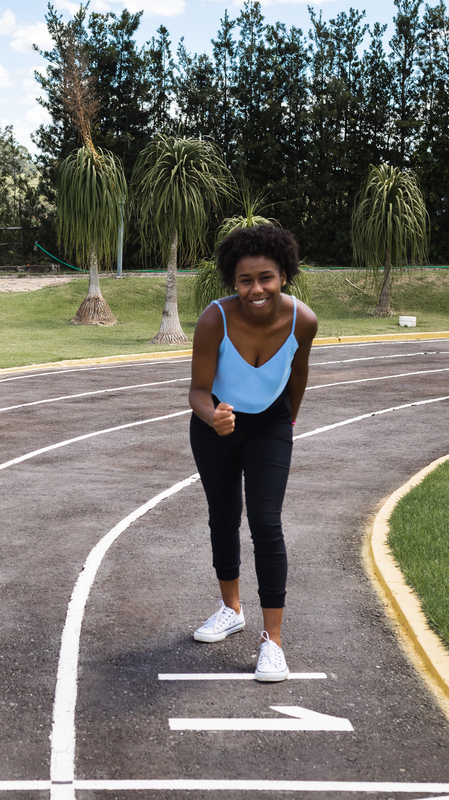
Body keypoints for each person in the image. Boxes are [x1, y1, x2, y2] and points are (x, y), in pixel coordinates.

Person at [187, 225, 318, 682]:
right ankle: (230, 609)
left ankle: (273, 642)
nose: (256, 289)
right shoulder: (214, 319)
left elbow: (298, 373)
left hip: (271, 424)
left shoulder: (304, 320)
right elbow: (197, 391)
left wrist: (288, 423)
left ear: (284, 275)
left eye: (266, 277)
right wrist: (213, 416)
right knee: (223, 516)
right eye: (245, 280)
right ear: (233, 281)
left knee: (266, 521)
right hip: (216, 423)